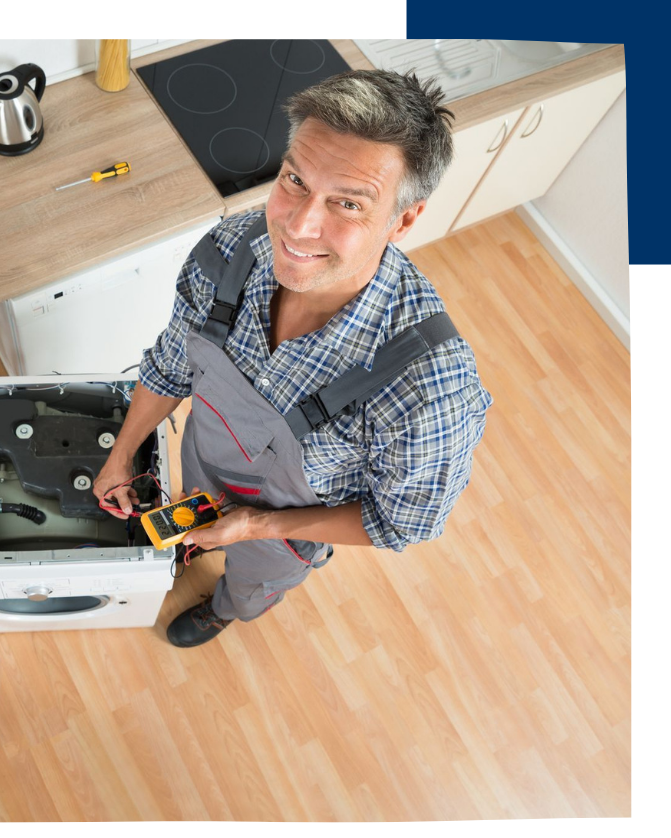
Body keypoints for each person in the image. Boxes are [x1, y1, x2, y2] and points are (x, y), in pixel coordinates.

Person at [93, 69, 493, 648]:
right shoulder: (230, 251)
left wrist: (255, 524)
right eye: (295, 180)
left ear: (404, 219)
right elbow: (172, 365)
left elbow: (400, 522)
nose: (298, 225)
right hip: (201, 464)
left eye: (348, 203)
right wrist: (122, 454)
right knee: (189, 520)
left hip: (281, 535)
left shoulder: (429, 392)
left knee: (252, 583)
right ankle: (192, 549)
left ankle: (225, 609)